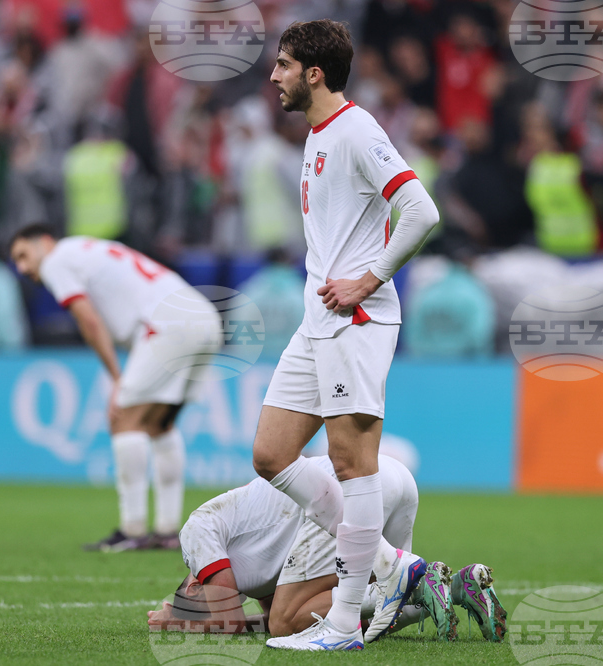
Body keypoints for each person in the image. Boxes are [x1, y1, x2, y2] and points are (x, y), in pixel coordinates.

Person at [254, 19, 441, 651]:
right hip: (318, 321)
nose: (272, 75)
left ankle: (343, 624)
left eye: (282, 65)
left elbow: (420, 210)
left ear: (313, 73)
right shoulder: (317, 134)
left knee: (352, 465)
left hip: (354, 319)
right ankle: (395, 568)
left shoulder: (358, 130)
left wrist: (369, 277)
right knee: (271, 455)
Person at [9, 223, 221, 551]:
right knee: (158, 424)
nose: (22, 267)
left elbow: (89, 321)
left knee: (123, 418)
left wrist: (115, 377)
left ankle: (132, 530)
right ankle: (166, 531)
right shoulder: (86, 248)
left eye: (23, 255)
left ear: (45, 243)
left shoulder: (56, 261)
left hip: (168, 325)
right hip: (204, 319)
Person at [147, 454, 506, 642]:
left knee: (287, 622)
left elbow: (233, 620)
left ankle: (415, 584)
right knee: (336, 622)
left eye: (201, 605)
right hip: (386, 478)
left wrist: (179, 620)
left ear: (194, 584)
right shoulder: (254, 567)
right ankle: (457, 586)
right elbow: (265, 620)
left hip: (345, 489)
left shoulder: (195, 533)